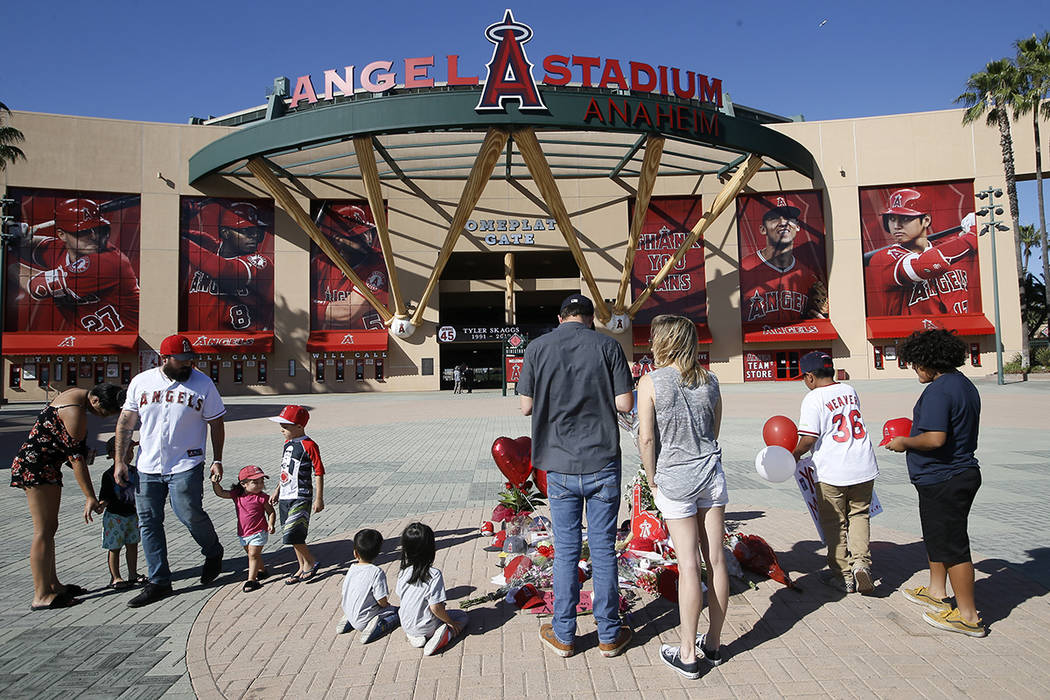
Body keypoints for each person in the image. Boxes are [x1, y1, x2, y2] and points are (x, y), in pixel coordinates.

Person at [517, 293, 634, 659]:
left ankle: (565, 634)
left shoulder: (537, 348)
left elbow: (525, 406)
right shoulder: (608, 347)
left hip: (559, 464)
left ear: (560, 317)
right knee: (602, 549)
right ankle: (609, 635)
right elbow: (625, 404)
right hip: (602, 461)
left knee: (566, 551)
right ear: (590, 318)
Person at [636, 314, 729, 679]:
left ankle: (688, 653)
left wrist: (652, 476)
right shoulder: (712, 380)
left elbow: (647, 438)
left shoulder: (652, 382)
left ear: (665, 341)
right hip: (710, 474)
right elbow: (714, 429)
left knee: (688, 564)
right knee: (716, 561)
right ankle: (715, 644)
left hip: (675, 477)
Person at [885, 329, 985, 637]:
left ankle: (968, 616)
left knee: (953, 545)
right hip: (952, 475)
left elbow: (935, 438)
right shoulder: (963, 385)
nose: (915, 369)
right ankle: (936, 590)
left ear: (929, 361)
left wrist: (904, 442)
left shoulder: (939, 391)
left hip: (946, 478)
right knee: (937, 535)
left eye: (916, 363)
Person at [115, 333, 227, 607]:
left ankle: (213, 551)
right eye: (182, 360)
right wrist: (119, 461)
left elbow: (217, 422)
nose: (189, 364)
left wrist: (217, 458)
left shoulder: (203, 383)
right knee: (149, 522)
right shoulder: (141, 382)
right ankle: (159, 581)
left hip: (186, 462)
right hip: (148, 465)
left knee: (188, 512)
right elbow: (126, 423)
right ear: (165, 359)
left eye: (191, 359)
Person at [10, 383, 125, 609]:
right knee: (42, 530)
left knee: (50, 527)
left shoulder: (74, 394)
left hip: (43, 467)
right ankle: (41, 595)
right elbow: (76, 460)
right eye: (104, 413)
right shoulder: (75, 412)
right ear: (96, 401)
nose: (102, 418)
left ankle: (53, 584)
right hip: (37, 468)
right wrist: (90, 496)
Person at [791, 352, 880, 595]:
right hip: (863, 464)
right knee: (860, 515)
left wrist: (794, 454)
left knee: (834, 522)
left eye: (804, 377)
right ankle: (862, 563)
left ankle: (843, 575)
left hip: (833, 470)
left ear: (810, 376)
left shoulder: (813, 398)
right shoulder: (849, 390)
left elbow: (809, 438)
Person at [13, 198, 140, 333]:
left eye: (99, 230)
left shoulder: (108, 262)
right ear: (62, 235)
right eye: (83, 231)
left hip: (127, 342)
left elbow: (35, 286)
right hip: (83, 342)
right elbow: (32, 246)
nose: (94, 236)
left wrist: (8, 262)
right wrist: (16, 236)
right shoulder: (61, 250)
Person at [864, 188, 979, 317]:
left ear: (926, 220)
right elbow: (929, 264)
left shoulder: (954, 248)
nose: (896, 225)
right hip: (914, 335)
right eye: (892, 218)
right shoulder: (882, 259)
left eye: (905, 218)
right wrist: (974, 233)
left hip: (964, 332)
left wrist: (978, 225)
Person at [182, 200, 274, 332]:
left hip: (242, 342)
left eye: (257, 233)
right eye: (246, 231)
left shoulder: (260, 262)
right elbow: (188, 235)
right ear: (225, 232)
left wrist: (181, 243)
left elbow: (224, 270)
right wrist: (184, 218)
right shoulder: (211, 247)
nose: (254, 237)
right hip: (199, 340)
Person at [739, 195, 828, 328]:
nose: (783, 222)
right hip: (751, 345)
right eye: (775, 218)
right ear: (763, 229)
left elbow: (821, 318)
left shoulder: (808, 276)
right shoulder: (742, 269)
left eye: (789, 218)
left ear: (797, 227)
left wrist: (822, 322)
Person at [268, 405, 324, 583]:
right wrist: (277, 490)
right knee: (289, 535)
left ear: (299, 427)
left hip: (301, 495)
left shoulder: (309, 445)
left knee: (294, 534)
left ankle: (311, 562)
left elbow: (319, 471)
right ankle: (301, 567)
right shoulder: (287, 444)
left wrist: (319, 498)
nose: (282, 430)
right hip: (285, 495)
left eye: (286, 426)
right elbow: (285, 470)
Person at [311, 203, 388, 331]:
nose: (367, 238)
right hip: (329, 342)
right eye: (357, 235)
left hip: (368, 340)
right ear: (337, 238)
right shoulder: (321, 263)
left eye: (367, 232)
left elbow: (347, 312)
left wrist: (307, 305)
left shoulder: (377, 264)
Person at [396, 522, 464, 655]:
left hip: (405, 623)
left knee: (420, 619)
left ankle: (414, 636)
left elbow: (401, 596)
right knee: (462, 616)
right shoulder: (434, 574)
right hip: (428, 626)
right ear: (430, 549)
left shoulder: (402, 572)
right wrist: (450, 622)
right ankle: (443, 636)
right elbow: (436, 608)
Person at [211, 465, 276, 592]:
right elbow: (221, 493)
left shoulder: (262, 497)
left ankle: (251, 580)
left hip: (259, 531)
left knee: (253, 554)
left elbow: (271, 512)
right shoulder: (237, 495)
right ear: (243, 484)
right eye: (255, 482)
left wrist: (271, 523)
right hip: (243, 532)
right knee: (253, 554)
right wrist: (215, 483)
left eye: (262, 482)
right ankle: (262, 571)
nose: (260, 485)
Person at [98, 436, 146, 590]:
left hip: (132, 515)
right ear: (113, 454)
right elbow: (105, 497)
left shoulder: (135, 471)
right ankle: (116, 577)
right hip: (114, 516)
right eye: (126, 451)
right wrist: (100, 506)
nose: (130, 454)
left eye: (131, 450)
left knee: (132, 545)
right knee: (115, 547)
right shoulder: (108, 475)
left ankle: (133, 574)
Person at [338, 528, 399, 642]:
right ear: (378, 553)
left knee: (359, 609)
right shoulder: (376, 572)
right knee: (397, 612)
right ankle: (374, 627)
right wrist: (387, 606)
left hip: (349, 610)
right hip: (365, 619)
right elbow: (381, 600)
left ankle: (349, 620)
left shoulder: (351, 569)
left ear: (355, 553)